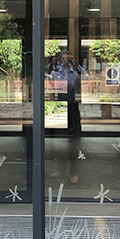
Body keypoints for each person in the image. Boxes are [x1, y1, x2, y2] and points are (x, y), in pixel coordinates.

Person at [45, 51, 87, 184]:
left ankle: (74, 172)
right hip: (58, 106)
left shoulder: (74, 71)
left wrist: (76, 64)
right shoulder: (54, 71)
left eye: (67, 58)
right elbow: (44, 77)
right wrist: (51, 64)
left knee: (74, 141)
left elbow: (87, 77)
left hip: (72, 107)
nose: (64, 61)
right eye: (62, 58)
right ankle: (60, 169)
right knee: (59, 141)